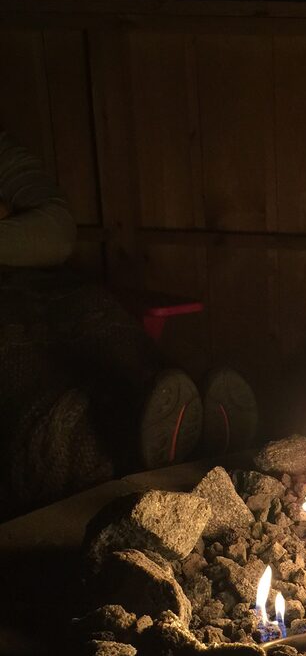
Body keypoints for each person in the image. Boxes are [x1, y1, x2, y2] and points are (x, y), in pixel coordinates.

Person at [0, 130, 258, 516]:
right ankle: (120, 445)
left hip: (49, 284)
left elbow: (54, 232)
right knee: (37, 386)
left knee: (107, 327)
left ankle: (192, 425)